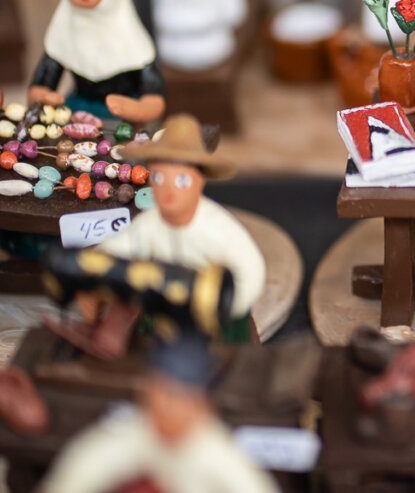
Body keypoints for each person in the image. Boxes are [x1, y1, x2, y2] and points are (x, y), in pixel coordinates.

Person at [93, 113, 264, 343]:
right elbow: (118, 249)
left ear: (199, 182)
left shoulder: (218, 228)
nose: (169, 190)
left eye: (181, 180)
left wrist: (226, 305)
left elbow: (251, 270)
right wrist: (92, 273)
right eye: (160, 179)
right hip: (164, 315)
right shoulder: (148, 224)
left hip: (213, 320)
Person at [39, 336, 277, 493]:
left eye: (180, 398)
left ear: (203, 406)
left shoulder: (221, 458)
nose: (167, 408)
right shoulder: (126, 435)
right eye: (160, 394)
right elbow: (74, 477)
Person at [28, 0, 165, 123]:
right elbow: (41, 84)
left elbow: (155, 98)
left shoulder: (134, 43)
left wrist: (135, 109)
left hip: (122, 118)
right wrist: (44, 98)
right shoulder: (63, 32)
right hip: (78, 108)